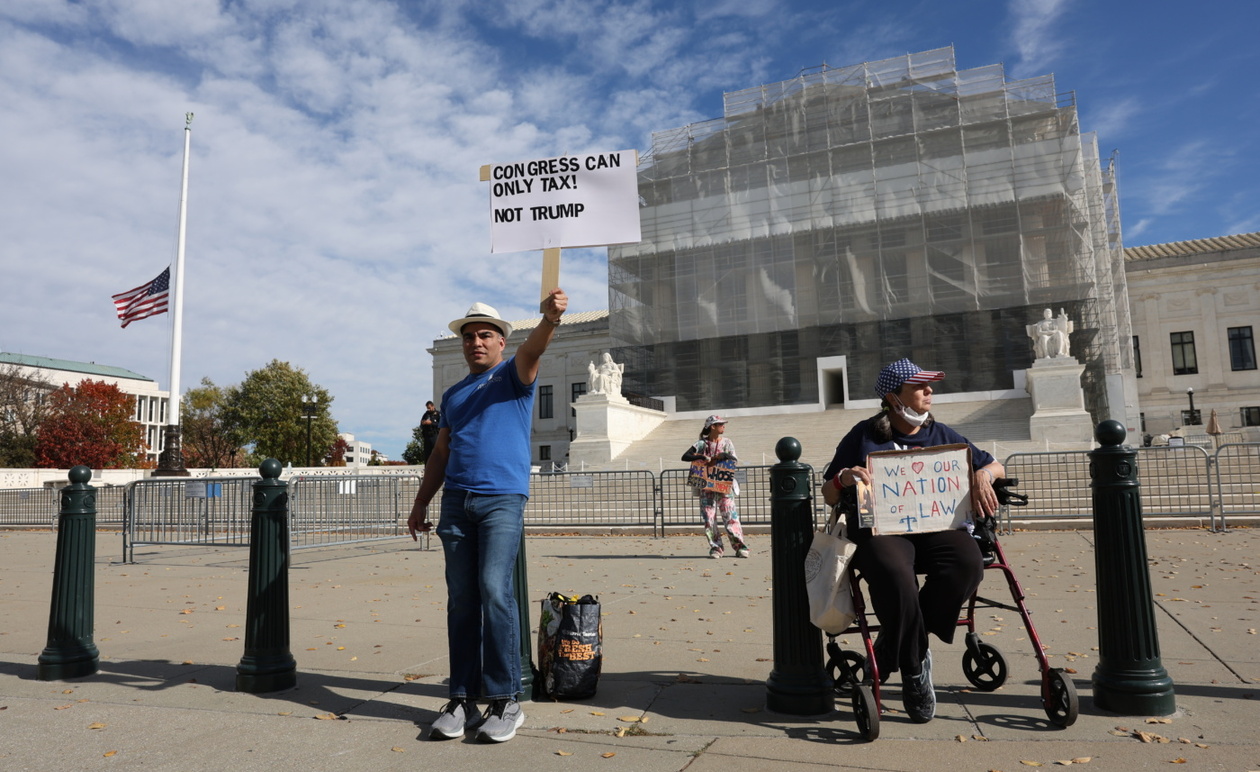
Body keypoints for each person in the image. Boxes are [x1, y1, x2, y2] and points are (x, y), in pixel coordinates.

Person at [407, 289, 568, 743]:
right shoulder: (453, 395)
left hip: (501, 499)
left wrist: (550, 320)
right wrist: (421, 502)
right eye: (469, 336)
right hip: (456, 502)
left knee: (495, 592)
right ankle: (462, 699)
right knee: (461, 600)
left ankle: (505, 700)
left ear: (501, 342)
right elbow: (441, 453)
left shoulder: (515, 375)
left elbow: (533, 349)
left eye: (485, 335)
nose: (475, 342)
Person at [820, 358, 1004, 724]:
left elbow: (995, 464)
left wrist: (984, 474)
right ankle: (914, 667)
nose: (929, 391)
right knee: (894, 573)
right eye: (919, 386)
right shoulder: (864, 435)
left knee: (967, 564)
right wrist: (844, 478)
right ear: (893, 397)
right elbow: (828, 492)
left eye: (929, 385)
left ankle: (893, 644)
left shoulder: (943, 434)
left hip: (938, 526)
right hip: (882, 530)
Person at [681, 415, 751, 559]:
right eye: (721, 424)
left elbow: (734, 460)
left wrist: (722, 455)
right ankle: (716, 547)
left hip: (724, 484)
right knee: (709, 518)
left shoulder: (727, 442)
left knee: (730, 515)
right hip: (706, 486)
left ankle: (740, 546)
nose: (724, 426)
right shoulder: (702, 444)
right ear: (713, 426)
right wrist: (701, 457)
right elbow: (686, 456)